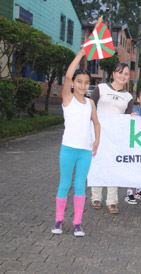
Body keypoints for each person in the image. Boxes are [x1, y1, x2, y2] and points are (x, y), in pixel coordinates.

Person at [51, 47, 101, 237]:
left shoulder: (90, 103)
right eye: (79, 81)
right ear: (73, 84)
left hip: (85, 152)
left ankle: (78, 223)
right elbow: (67, 74)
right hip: (68, 150)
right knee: (64, 184)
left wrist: (96, 142)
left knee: (80, 185)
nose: (82, 85)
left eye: (86, 82)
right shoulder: (67, 99)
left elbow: (96, 123)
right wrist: (80, 55)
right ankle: (58, 220)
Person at [90, 63, 134, 214]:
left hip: (116, 137)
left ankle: (112, 201)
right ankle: (96, 198)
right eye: (120, 72)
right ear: (114, 73)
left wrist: (134, 118)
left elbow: (127, 118)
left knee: (114, 167)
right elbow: (90, 107)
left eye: (126, 74)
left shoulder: (128, 97)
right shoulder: (100, 88)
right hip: (98, 134)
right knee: (98, 165)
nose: (123, 76)